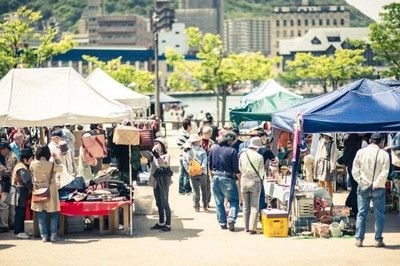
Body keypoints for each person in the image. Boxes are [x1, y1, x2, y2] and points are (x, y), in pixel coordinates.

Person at [352, 133, 390, 248]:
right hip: (378, 188)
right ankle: (378, 240)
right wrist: (376, 183)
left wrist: (361, 182)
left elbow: (355, 170)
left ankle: (359, 239)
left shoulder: (360, 152)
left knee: (361, 214)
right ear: (382, 142)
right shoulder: (384, 154)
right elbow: (385, 172)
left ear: (370, 140)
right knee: (379, 214)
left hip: (363, 186)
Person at [30, 145, 63, 242]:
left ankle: (44, 236)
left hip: (38, 190)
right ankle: (53, 235)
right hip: (50, 190)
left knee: (41, 214)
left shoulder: (33, 164)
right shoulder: (51, 164)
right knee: (53, 214)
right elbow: (61, 168)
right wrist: (56, 158)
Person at [209, 131, 240, 232]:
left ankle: (222, 222)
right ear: (232, 140)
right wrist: (239, 178)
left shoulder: (213, 148)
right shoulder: (232, 151)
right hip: (228, 178)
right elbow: (236, 169)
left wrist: (211, 177)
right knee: (234, 201)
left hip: (215, 177)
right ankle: (231, 218)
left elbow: (209, 165)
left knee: (219, 202)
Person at [142, 137, 173, 232]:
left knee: (164, 202)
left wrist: (157, 156)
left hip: (163, 181)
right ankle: (161, 222)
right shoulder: (153, 155)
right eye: (155, 142)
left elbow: (164, 164)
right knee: (158, 202)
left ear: (163, 145)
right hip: (156, 181)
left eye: (158, 143)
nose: (156, 144)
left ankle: (168, 224)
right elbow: (143, 153)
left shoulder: (166, 155)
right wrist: (143, 145)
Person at [239, 137, 265, 234]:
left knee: (246, 206)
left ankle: (246, 227)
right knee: (254, 206)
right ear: (257, 147)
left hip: (244, 180)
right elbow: (261, 171)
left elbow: (240, 168)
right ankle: (252, 228)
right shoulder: (259, 157)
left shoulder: (242, 155)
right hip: (255, 181)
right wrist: (261, 177)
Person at [9, 148, 34, 239]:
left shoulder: (21, 165)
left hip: (20, 192)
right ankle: (18, 231)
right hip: (19, 192)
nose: (32, 161)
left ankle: (21, 230)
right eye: (31, 159)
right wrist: (34, 188)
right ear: (25, 159)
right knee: (20, 212)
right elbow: (27, 182)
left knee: (21, 212)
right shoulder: (21, 168)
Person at [183, 134, 208, 212]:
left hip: (192, 173)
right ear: (198, 141)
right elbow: (205, 160)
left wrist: (188, 169)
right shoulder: (202, 150)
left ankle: (196, 207)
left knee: (195, 190)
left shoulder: (188, 151)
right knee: (204, 189)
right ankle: (205, 205)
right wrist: (202, 167)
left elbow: (184, 160)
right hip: (202, 172)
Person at [342, 134, 364, 217]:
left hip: (351, 166)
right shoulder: (357, 141)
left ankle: (350, 203)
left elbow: (346, 154)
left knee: (355, 188)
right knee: (356, 188)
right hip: (355, 167)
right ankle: (354, 208)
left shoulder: (350, 140)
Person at [0, 142, 18, 231]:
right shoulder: (8, 156)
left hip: (10, 183)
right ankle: (11, 224)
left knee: (4, 204)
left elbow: (8, 173)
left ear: (6, 149)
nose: (1, 152)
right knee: (10, 205)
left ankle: (4, 225)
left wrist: (1, 167)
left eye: (1, 150)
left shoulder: (12, 157)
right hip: (10, 183)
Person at [314, 133, 338, 198]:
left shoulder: (332, 143)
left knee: (329, 184)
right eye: (324, 135)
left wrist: (332, 166)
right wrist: (316, 163)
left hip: (328, 164)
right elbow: (317, 153)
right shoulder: (320, 142)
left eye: (326, 135)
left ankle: (330, 201)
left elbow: (333, 155)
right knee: (321, 183)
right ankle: (322, 200)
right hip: (320, 164)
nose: (325, 136)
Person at [176, 118, 192, 195]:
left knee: (182, 173)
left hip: (181, 155)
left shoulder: (181, 133)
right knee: (186, 173)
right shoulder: (186, 135)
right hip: (185, 155)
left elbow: (178, 144)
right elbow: (189, 146)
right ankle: (187, 190)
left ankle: (181, 190)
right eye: (191, 125)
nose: (191, 127)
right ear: (188, 126)